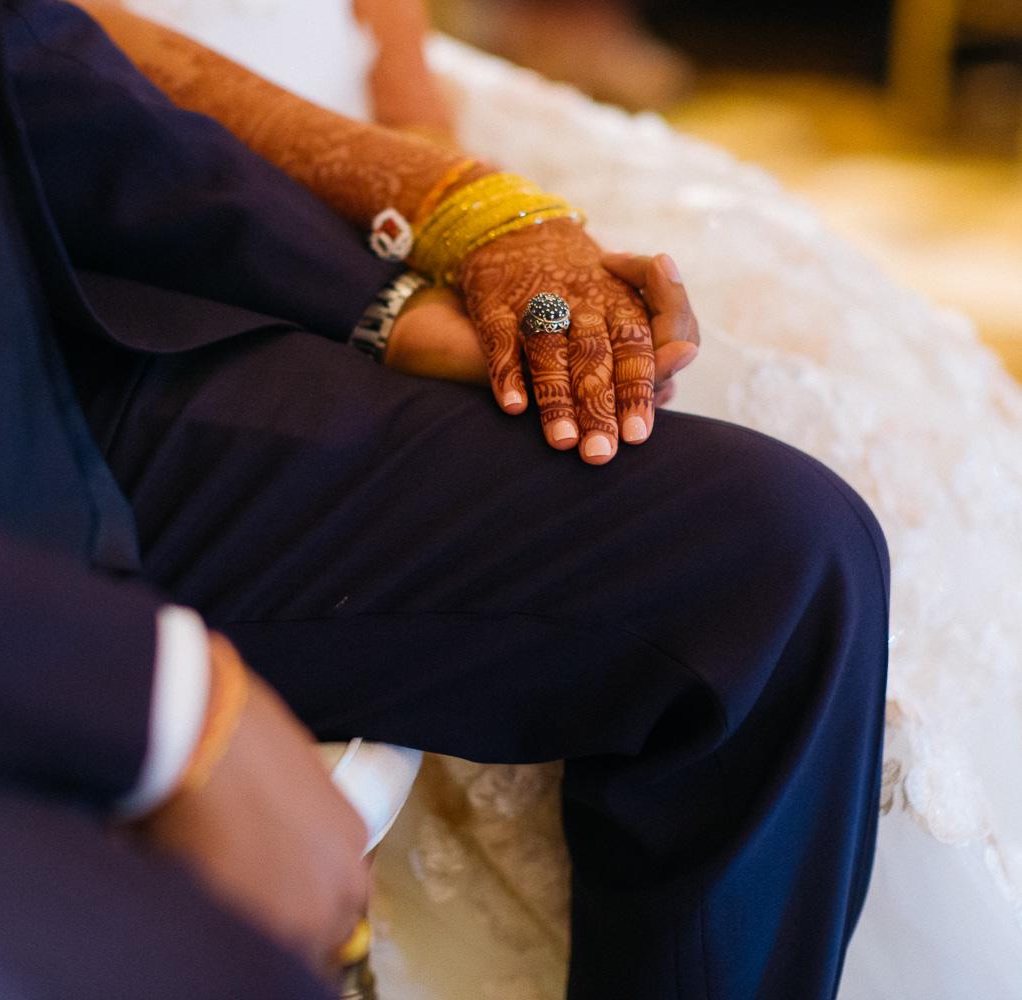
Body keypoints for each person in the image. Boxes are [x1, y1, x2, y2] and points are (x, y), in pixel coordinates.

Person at [0, 1, 889, 998]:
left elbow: (13, 53)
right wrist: (162, 706)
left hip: (35, 376)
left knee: (779, 567)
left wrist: (382, 301)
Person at [111, 1, 1022, 997]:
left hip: (376, 134)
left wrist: (427, 141)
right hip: (153, 209)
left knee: (885, 394)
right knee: (764, 509)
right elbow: (48, 61)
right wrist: (440, 216)